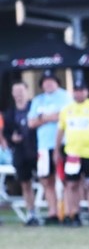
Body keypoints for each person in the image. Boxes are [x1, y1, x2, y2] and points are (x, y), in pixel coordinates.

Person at [55, 77, 89, 227]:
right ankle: (74, 214)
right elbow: (60, 131)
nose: (79, 94)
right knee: (72, 185)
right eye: (76, 91)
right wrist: (57, 150)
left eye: (81, 91)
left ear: (87, 92)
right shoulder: (67, 110)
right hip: (72, 154)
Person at [28, 69, 72, 225]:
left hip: (64, 143)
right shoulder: (38, 100)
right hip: (44, 145)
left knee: (66, 179)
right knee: (47, 180)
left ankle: (68, 213)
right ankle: (53, 213)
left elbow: (65, 116)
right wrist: (51, 117)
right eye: (45, 81)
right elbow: (31, 122)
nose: (48, 84)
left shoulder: (65, 96)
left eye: (51, 81)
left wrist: (43, 118)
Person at [3, 82, 39, 225]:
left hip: (36, 151)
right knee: (25, 183)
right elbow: (6, 133)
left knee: (46, 182)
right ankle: (31, 214)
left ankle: (53, 213)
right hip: (20, 153)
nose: (18, 94)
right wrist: (12, 139)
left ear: (27, 91)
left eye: (21, 90)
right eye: (15, 91)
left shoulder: (35, 108)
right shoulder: (10, 113)